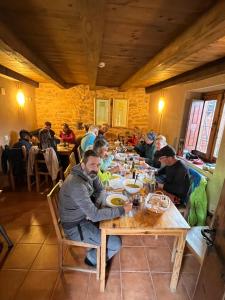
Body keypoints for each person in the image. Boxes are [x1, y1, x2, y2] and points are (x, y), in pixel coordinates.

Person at [59, 150, 132, 267]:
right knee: (116, 243)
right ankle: (92, 258)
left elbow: (101, 189)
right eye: (92, 164)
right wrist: (122, 210)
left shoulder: (90, 173)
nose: (96, 169)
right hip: (75, 226)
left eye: (98, 165)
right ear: (83, 165)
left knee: (110, 221)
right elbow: (94, 215)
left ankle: (96, 248)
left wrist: (95, 206)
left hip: (84, 216)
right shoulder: (76, 184)